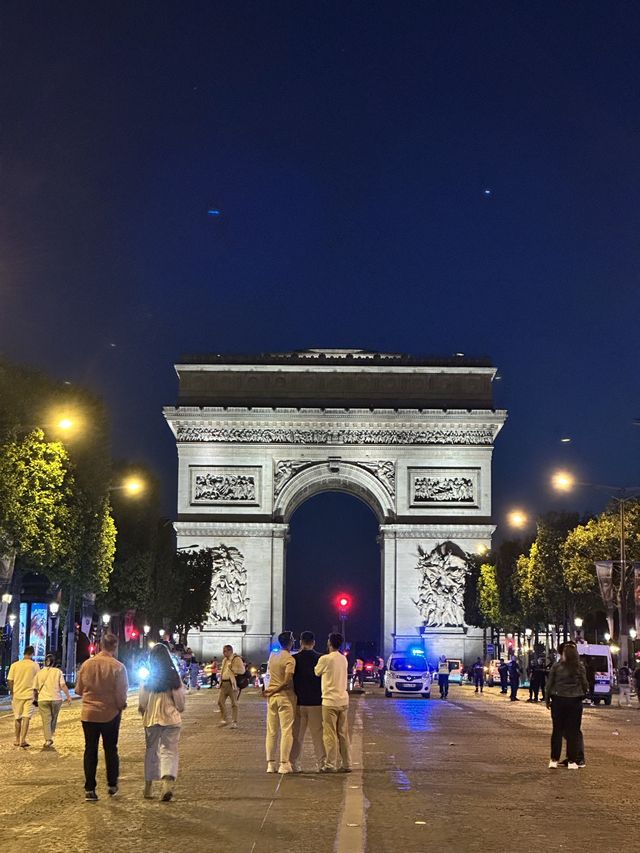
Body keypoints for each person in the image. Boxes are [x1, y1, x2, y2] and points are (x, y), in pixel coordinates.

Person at [75, 633, 129, 801]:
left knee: (90, 750)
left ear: (99, 645)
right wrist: (121, 705)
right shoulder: (118, 667)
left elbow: (78, 690)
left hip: (89, 713)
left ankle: (90, 788)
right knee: (111, 749)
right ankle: (112, 784)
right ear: (115, 647)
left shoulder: (86, 665)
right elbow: (121, 694)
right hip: (110, 714)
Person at [138, 642, 186, 802]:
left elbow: (142, 702)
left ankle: (148, 787)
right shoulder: (174, 677)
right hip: (171, 718)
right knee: (169, 751)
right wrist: (178, 708)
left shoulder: (148, 678)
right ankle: (166, 785)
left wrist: (144, 710)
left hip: (151, 718)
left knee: (151, 751)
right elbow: (180, 703)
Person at [546, 642, 589, 769]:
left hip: (558, 699)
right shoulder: (579, 667)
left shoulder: (556, 666)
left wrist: (547, 698)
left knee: (557, 731)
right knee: (573, 732)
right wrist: (584, 692)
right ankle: (571, 761)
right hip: (574, 700)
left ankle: (554, 759)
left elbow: (549, 684)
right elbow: (584, 683)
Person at [314, 633, 352, 773]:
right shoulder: (344, 659)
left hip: (329, 701)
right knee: (343, 733)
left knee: (329, 734)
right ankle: (347, 763)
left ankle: (330, 764)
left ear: (329, 643)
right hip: (343, 700)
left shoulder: (325, 659)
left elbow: (316, 672)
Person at [290, 630, 325, 772]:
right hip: (316, 702)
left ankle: (293, 763)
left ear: (300, 642)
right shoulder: (321, 658)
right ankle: (322, 764)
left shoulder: (294, 659)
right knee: (318, 736)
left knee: (297, 736)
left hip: (298, 702)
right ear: (314, 643)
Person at [264, 631, 297, 774]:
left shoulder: (272, 656)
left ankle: (270, 764)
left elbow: (268, 676)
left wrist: (268, 690)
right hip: (284, 697)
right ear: (290, 642)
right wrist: (275, 689)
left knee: (271, 731)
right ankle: (284, 763)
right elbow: (288, 680)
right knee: (286, 731)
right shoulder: (290, 659)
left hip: (271, 698)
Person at [35, 653, 72, 748]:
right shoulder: (57, 672)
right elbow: (63, 685)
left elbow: (35, 688)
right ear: (54, 662)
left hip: (43, 699)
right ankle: (50, 735)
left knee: (46, 719)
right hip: (56, 698)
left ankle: (48, 739)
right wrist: (68, 696)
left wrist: (35, 698)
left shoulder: (39, 672)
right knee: (53, 719)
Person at [7, 645, 40, 748]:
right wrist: (37, 696)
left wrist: (12, 692)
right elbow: (37, 682)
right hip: (30, 695)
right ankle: (23, 740)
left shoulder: (15, 665)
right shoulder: (35, 666)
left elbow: (10, 680)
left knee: (17, 718)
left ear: (24, 653)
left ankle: (16, 739)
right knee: (26, 718)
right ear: (32, 654)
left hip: (17, 694)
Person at [218, 644, 245, 729]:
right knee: (220, 702)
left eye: (225, 651)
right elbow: (222, 671)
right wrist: (220, 682)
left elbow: (242, 671)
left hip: (232, 684)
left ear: (230, 651)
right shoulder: (224, 660)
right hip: (224, 684)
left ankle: (234, 722)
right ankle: (224, 719)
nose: (223, 653)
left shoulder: (237, 659)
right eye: (223, 651)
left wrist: (233, 669)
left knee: (234, 703)